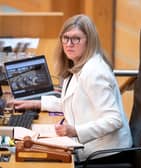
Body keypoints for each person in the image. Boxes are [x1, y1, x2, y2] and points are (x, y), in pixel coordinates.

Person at [8, 14, 132, 162]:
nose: (69, 44)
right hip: (91, 146)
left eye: (76, 39)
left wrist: (76, 131)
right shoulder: (78, 64)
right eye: (65, 38)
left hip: (104, 153)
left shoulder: (94, 73)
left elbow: (114, 120)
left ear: (89, 42)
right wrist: (38, 103)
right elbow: (75, 101)